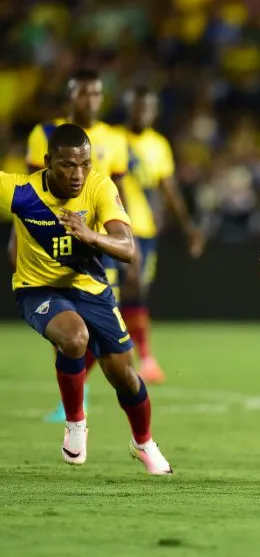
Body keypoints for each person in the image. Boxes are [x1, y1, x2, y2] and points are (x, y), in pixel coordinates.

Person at [0, 123, 172, 474]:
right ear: (48, 162)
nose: (78, 174)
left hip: (91, 289)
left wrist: (90, 236)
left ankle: (143, 443)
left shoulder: (99, 186)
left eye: (84, 164)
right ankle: (76, 423)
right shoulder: (20, 191)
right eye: (67, 165)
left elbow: (127, 248)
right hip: (38, 290)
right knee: (75, 337)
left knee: (125, 376)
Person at [16, 68, 131, 422]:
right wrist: (15, 240)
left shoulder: (114, 138)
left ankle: (81, 385)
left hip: (96, 245)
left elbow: (119, 192)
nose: (91, 100)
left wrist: (126, 238)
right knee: (67, 329)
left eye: (96, 93)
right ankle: (73, 399)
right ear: (70, 97)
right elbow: (30, 190)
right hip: (51, 237)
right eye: (84, 93)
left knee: (99, 329)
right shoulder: (44, 134)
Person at [114, 86, 205, 384]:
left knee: (137, 291)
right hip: (111, 228)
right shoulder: (112, 139)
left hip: (144, 231)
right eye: (137, 107)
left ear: (155, 112)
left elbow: (168, 189)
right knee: (108, 293)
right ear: (129, 108)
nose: (142, 113)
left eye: (148, 108)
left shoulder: (158, 145)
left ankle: (144, 358)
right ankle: (107, 357)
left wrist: (188, 227)